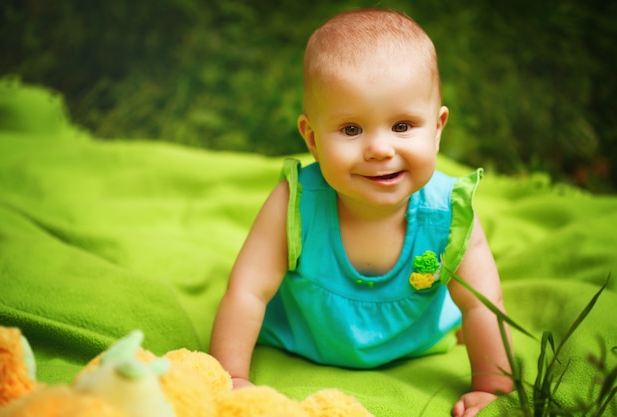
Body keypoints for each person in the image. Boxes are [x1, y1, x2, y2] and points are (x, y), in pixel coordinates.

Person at [210, 8, 512, 417]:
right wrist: (232, 379)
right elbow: (247, 291)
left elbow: (482, 304)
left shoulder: (448, 214)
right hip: (300, 340)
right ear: (312, 138)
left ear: (438, 128)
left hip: (416, 346)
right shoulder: (294, 204)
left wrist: (493, 387)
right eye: (351, 129)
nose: (380, 149)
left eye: (403, 126)